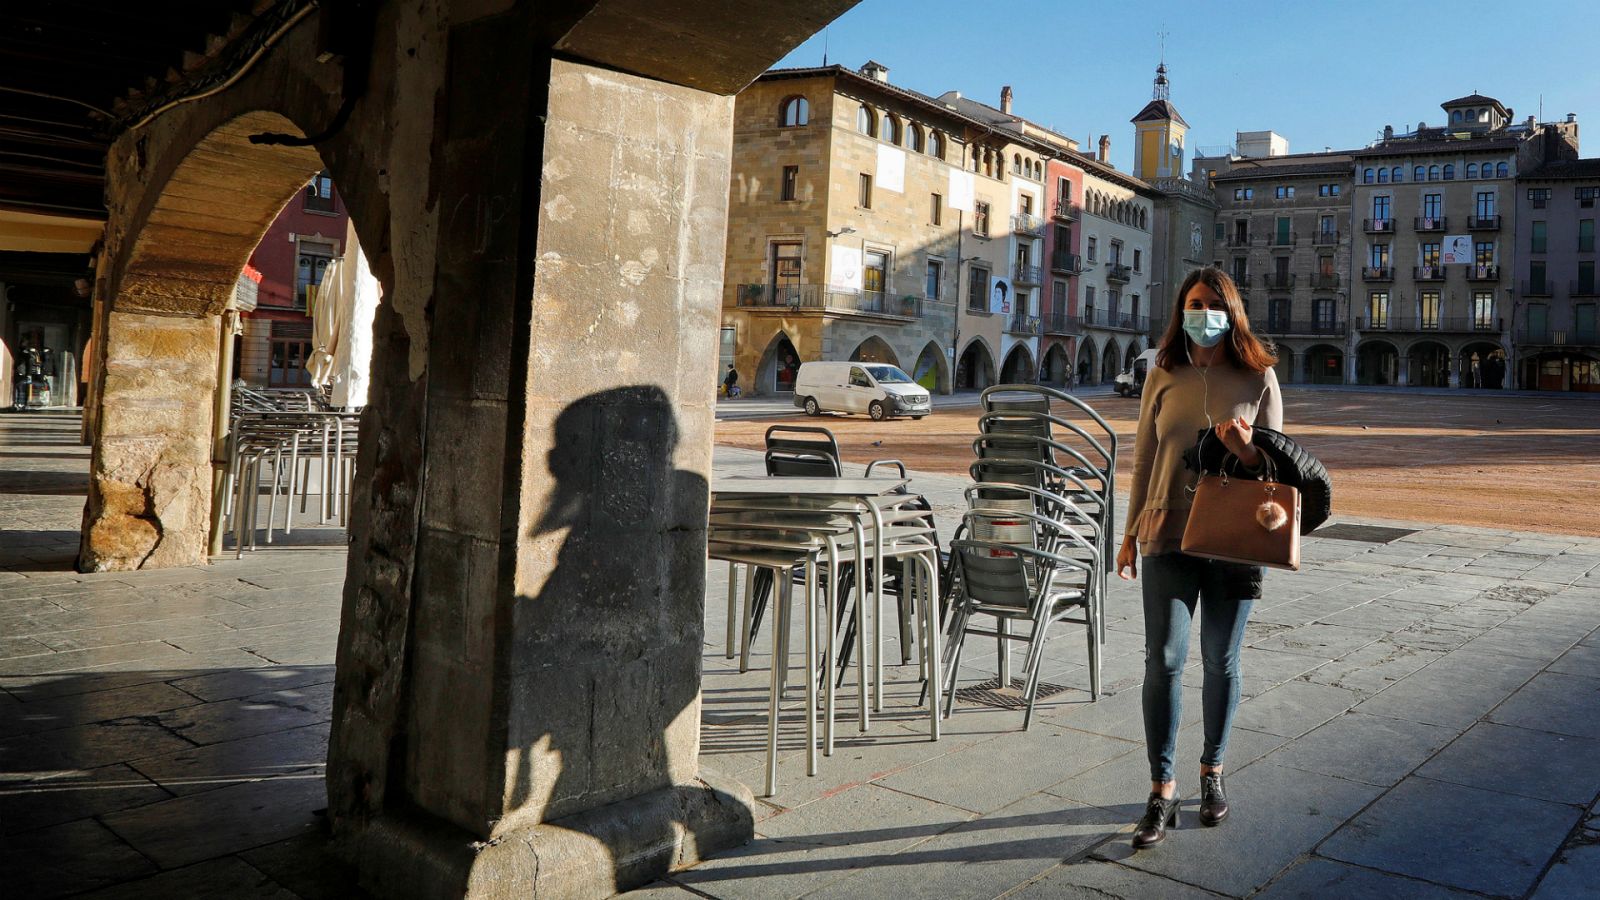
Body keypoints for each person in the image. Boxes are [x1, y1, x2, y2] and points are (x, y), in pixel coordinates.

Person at [1116, 266, 1282, 849]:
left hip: (1235, 541)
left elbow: (1277, 477)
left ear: (1231, 311)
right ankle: (1162, 787)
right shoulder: (1161, 372)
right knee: (1162, 660)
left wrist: (1248, 452)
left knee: (1220, 662)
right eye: (1193, 302)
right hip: (1165, 530)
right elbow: (1142, 455)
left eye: (1213, 303)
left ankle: (1212, 772)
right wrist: (1129, 531)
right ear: (1179, 309)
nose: (1202, 311)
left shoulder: (1259, 377)